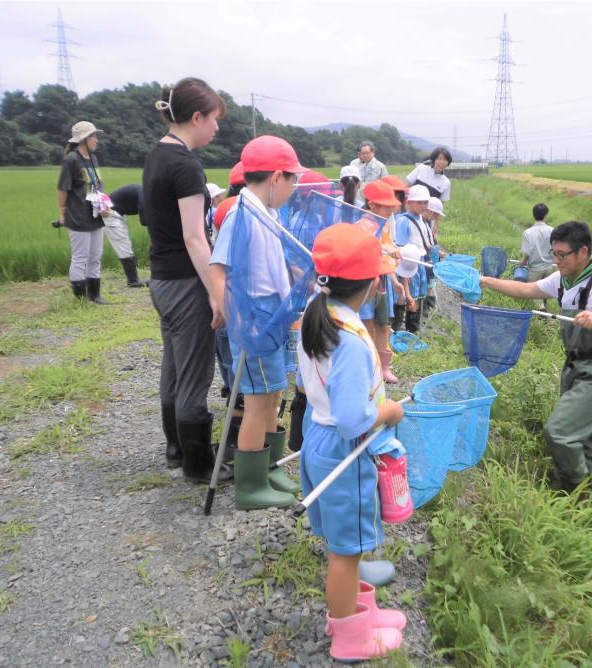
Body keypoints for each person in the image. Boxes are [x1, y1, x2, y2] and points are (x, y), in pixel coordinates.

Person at [296, 223, 406, 661]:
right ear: (374, 282)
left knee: (346, 544)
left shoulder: (316, 309)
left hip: (317, 438)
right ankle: (350, 637)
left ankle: (361, 611)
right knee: (346, 552)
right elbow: (352, 419)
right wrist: (391, 411)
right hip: (346, 450)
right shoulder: (353, 342)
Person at [479, 221, 592, 493]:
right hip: (574, 367)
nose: (555, 260)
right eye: (553, 254)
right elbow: (525, 290)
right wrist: (483, 280)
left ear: (583, 252)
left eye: (561, 255)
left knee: (559, 433)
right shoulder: (562, 279)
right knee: (589, 438)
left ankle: (575, 490)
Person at [210, 135, 308, 510]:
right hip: (253, 319)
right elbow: (219, 269)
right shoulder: (240, 213)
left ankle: (270, 467)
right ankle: (249, 486)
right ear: (275, 177)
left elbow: (270, 259)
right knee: (255, 400)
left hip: (276, 313)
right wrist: (233, 318)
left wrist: (292, 268)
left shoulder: (269, 211)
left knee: (273, 394)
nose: (294, 188)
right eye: (292, 180)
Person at [142, 77, 232, 483]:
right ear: (196, 117)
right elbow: (195, 236)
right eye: (215, 120)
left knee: (174, 367)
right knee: (195, 372)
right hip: (184, 282)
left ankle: (176, 448)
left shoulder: (157, 155)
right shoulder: (186, 165)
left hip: (161, 280)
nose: (217, 128)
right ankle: (199, 465)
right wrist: (217, 292)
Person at [56, 120, 108, 303]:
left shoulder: (93, 159)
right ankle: (80, 299)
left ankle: (95, 295)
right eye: (94, 136)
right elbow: (62, 189)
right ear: (84, 139)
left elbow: (97, 186)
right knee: (81, 257)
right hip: (77, 216)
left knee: (96, 255)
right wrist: (62, 214)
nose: (96, 140)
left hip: (95, 214)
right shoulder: (71, 160)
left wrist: (104, 205)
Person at [360, 180, 404, 383]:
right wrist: (388, 250)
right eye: (387, 206)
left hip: (384, 278)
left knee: (383, 324)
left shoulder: (384, 223)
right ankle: (368, 368)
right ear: (372, 205)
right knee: (367, 323)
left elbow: (387, 245)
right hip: (367, 282)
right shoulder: (363, 224)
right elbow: (371, 248)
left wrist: (394, 255)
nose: (391, 209)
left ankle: (383, 367)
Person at [392, 184, 434, 333]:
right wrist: (404, 275)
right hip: (409, 265)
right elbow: (401, 250)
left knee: (418, 297)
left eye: (425, 202)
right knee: (408, 297)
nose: (423, 205)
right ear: (409, 203)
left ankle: (412, 331)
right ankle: (398, 329)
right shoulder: (404, 221)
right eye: (419, 202)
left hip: (420, 263)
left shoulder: (422, 218)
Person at [106, 184, 150, 288]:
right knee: (123, 245)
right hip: (109, 214)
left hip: (117, 213)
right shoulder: (144, 193)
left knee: (125, 244)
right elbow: (144, 221)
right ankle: (133, 281)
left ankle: (133, 279)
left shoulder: (144, 191)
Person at [520, 203, 555, 283]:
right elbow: (554, 249)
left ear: (533, 215)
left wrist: (524, 261)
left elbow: (527, 252)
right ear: (546, 215)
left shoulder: (528, 232)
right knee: (545, 293)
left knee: (531, 293)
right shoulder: (552, 230)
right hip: (549, 268)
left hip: (534, 270)